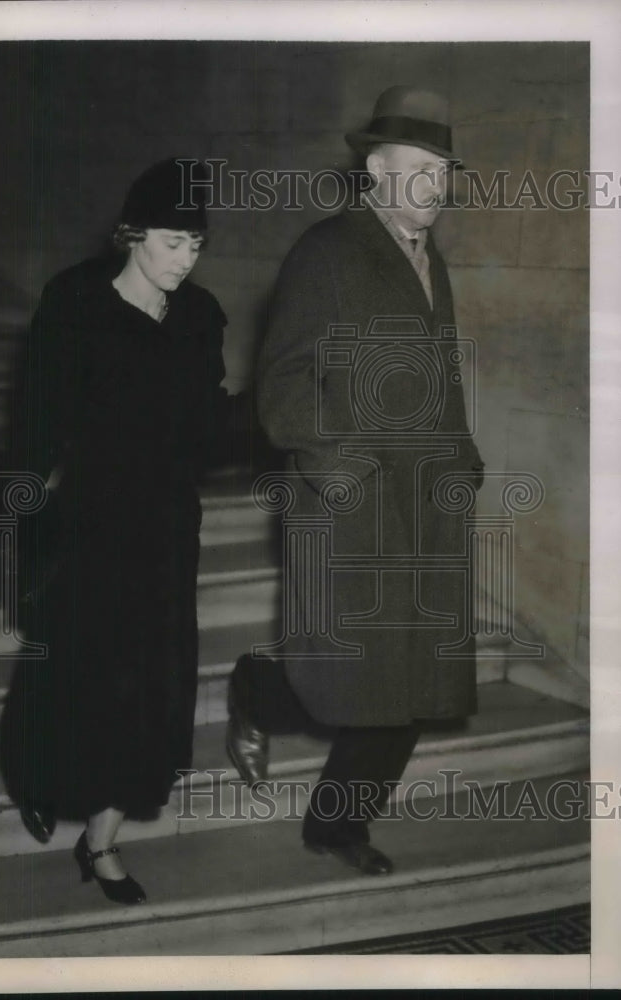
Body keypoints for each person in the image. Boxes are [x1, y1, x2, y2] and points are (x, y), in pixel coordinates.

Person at [226, 86, 484, 875]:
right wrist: (338, 466)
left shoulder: (426, 256)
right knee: (350, 675)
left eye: (442, 172)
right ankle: (260, 691)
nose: (433, 186)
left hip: (426, 501)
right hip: (349, 502)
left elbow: (438, 373)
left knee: (408, 679)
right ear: (375, 169)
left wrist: (462, 453)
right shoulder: (326, 251)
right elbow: (282, 384)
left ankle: (335, 824)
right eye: (418, 169)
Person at [0, 158, 228, 904]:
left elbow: (208, 426)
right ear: (132, 235)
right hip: (88, 526)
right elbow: (34, 423)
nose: (184, 260)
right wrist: (19, 526)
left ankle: (100, 843)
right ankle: (37, 773)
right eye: (171, 243)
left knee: (152, 694)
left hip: (164, 531)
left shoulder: (200, 316)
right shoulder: (73, 302)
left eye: (196, 245)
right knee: (71, 679)